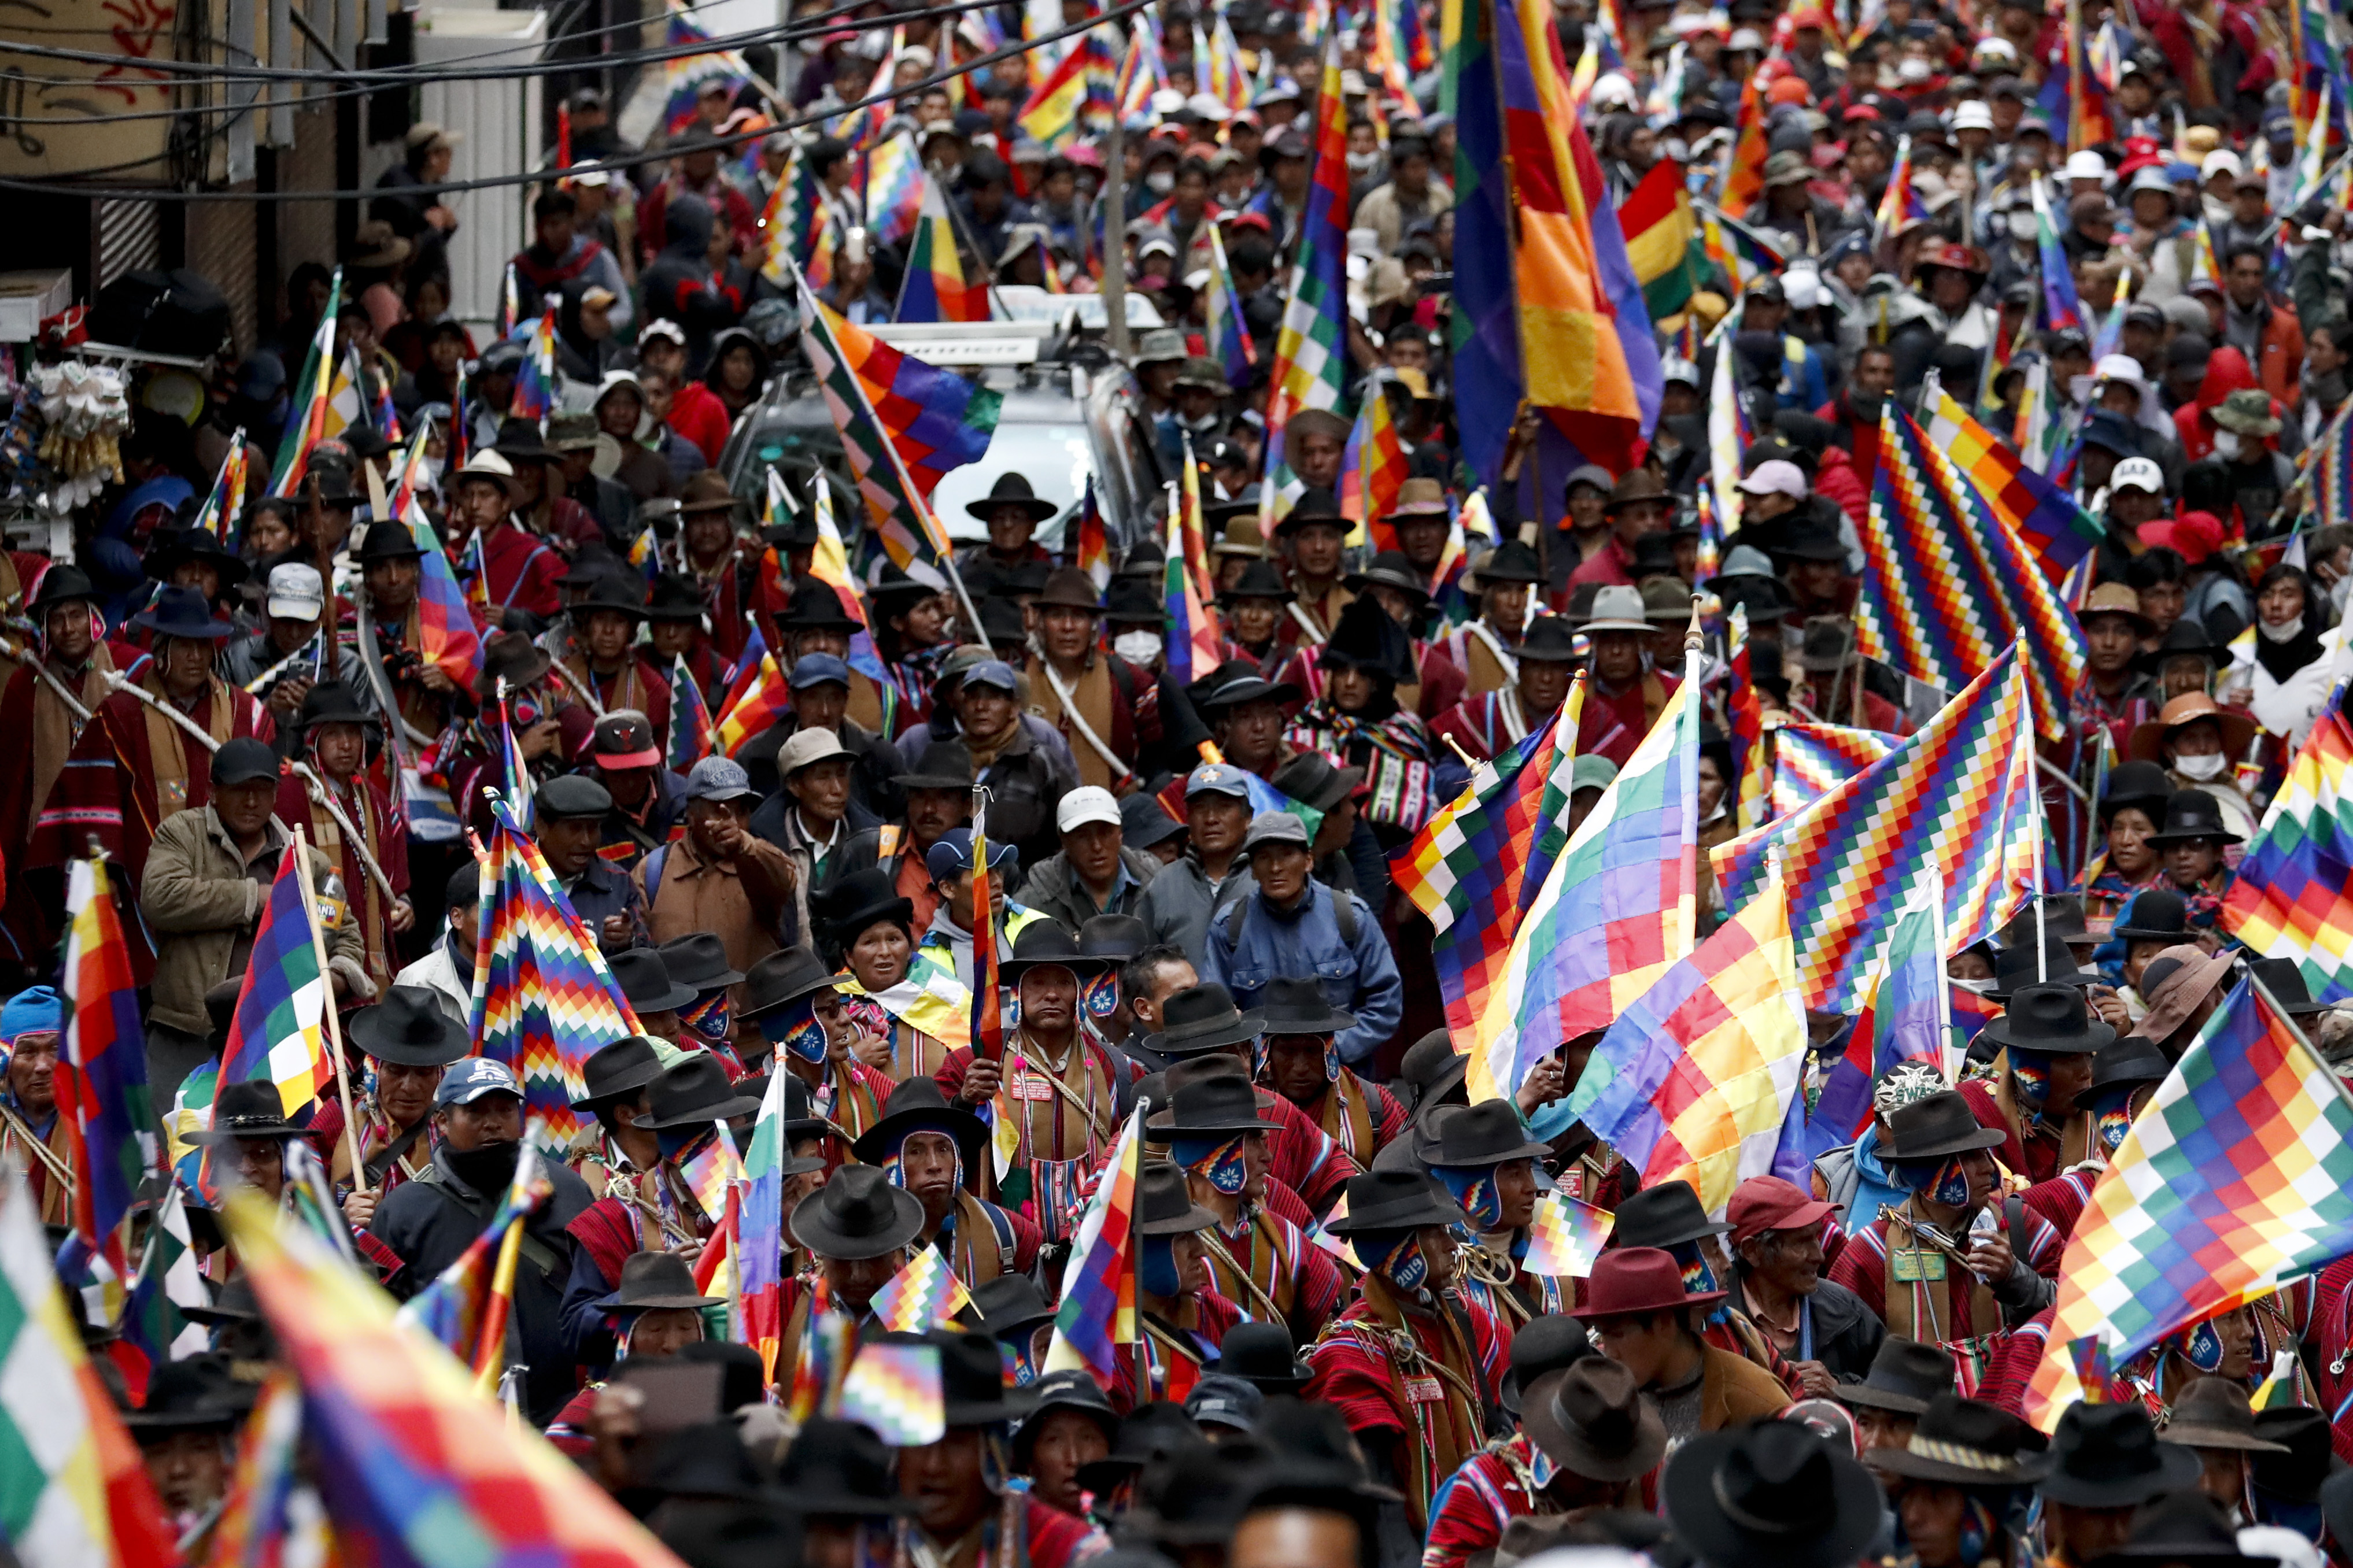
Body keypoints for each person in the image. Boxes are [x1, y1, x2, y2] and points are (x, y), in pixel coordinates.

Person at [139, 737, 367, 1103]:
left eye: (262, 791)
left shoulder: (305, 858)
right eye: (239, 791)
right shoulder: (182, 833)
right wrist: (256, 898)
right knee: (177, 1146)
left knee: (261, 1151)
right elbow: (160, 897)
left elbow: (348, 938)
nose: (251, 802)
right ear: (214, 792)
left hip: (273, 1038)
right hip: (185, 1033)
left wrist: (329, 982)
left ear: (276, 795)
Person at [371, 1057, 593, 1422]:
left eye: (505, 1110)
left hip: (560, 1417)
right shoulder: (402, 1212)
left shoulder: (566, 1190)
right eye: (475, 1112)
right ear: (442, 1121)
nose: (493, 1123)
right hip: (454, 1425)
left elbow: (598, 1291)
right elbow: (380, 1321)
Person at [32, 585, 275, 896]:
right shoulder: (122, 714)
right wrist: (104, 873)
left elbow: (267, 792)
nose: (196, 657)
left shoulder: (245, 711)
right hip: (148, 882)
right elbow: (93, 796)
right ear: (161, 651)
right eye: (184, 646)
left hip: (237, 879)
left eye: (203, 646)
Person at [1308, 1168, 1509, 1536]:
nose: (1453, 1246)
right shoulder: (1351, 1354)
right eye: (1436, 1233)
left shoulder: (1460, 1317)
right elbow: (1375, 1497)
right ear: (1401, 1251)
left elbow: (1509, 1406)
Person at [1824, 1090, 2063, 1394]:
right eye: (1969, 1158)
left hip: (2014, 1414)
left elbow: (2079, 1310)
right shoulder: (1873, 1251)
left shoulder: (2019, 1225)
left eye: (1985, 1154)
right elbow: (1847, 1354)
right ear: (1931, 1173)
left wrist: (2017, 1279)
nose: (1989, 1169)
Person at [1148, 1073, 1348, 1348]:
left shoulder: (1286, 1237)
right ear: (1221, 1156)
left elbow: (1327, 1327)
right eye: (1255, 1142)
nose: (1268, 1157)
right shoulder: (1164, 1246)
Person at [1200, 811, 1402, 1070]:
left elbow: (1385, 1001)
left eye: (1286, 854)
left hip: (1343, 1074)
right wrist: (1263, 1057)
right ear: (1252, 869)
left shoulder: (1350, 916)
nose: (1275, 868)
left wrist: (1330, 1051)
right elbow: (1217, 1014)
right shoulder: (1230, 926)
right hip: (1264, 1081)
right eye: (1264, 858)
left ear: (1308, 860)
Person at [893, 1329, 1108, 1568]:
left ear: (994, 1451)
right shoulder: (863, 1541)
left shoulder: (1069, 1549)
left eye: (956, 1443)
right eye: (918, 1440)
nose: (934, 1466)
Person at [275, 681, 411, 997]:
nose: (346, 744)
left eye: (352, 734)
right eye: (333, 734)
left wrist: (404, 903)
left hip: (373, 951)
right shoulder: (290, 797)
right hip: (313, 951)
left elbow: (396, 875)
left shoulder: (375, 802)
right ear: (313, 741)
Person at [849, 1078, 1041, 1288]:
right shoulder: (863, 1246)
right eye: (916, 1151)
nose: (934, 1165)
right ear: (891, 1165)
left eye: (943, 1149)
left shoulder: (1008, 1232)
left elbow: (1041, 1315)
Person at [310, 986, 471, 1214]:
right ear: (374, 1069)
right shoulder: (337, 1120)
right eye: (396, 1071)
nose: (409, 1087)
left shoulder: (455, 1131)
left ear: (440, 1075)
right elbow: (295, 1212)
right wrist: (341, 1219)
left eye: (424, 1073)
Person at [1724, 1174, 1885, 1384]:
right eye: (1802, 1242)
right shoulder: (1711, 1321)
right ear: (1752, 1251)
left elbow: (1893, 1396)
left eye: (1816, 1238)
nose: (1819, 1256)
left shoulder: (1846, 1310)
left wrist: (1839, 1390)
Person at [741, 946, 895, 1143]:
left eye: (841, 1005)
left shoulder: (874, 1087)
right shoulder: (751, 1104)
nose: (846, 1019)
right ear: (794, 1027)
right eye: (832, 1009)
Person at [1253, 976, 1408, 1163]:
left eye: (1312, 1051)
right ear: (1268, 1055)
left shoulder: (1374, 1104)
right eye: (1288, 1051)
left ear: (1329, 1052)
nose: (1301, 1067)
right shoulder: (1247, 1112)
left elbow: (1405, 1173)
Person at [1136, 760, 1258, 956]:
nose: (1211, 819)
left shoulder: (1266, 877)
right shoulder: (1164, 885)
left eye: (1224, 808)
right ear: (1188, 818)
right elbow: (1143, 966)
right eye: (1201, 809)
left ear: (1248, 818)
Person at [1017, 785, 1164, 931]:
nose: (1097, 846)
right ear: (1064, 841)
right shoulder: (1037, 899)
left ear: (1120, 833)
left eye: (1105, 833)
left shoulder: (1158, 884)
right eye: (1082, 836)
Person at [0, 988, 71, 1225]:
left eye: (54, 1049)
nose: (42, 1066)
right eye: (28, 1052)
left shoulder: (104, 1126)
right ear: (5, 1063)